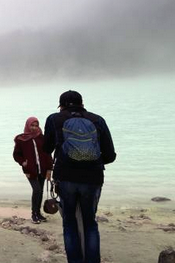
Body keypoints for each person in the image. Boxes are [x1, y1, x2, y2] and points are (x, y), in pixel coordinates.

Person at [43, 90, 116, 263]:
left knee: (69, 224)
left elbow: (46, 149)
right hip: (93, 178)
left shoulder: (54, 119)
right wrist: (94, 161)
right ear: (82, 103)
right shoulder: (97, 120)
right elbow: (110, 155)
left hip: (66, 177)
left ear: (60, 105)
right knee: (90, 223)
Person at [13, 117, 54, 224]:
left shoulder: (42, 137)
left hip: (43, 169)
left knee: (40, 191)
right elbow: (16, 154)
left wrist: (49, 169)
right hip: (30, 170)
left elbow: (48, 154)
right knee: (36, 190)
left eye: (36, 125)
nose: (34, 128)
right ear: (27, 125)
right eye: (32, 125)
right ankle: (33, 214)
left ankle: (38, 213)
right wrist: (23, 163)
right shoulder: (21, 139)